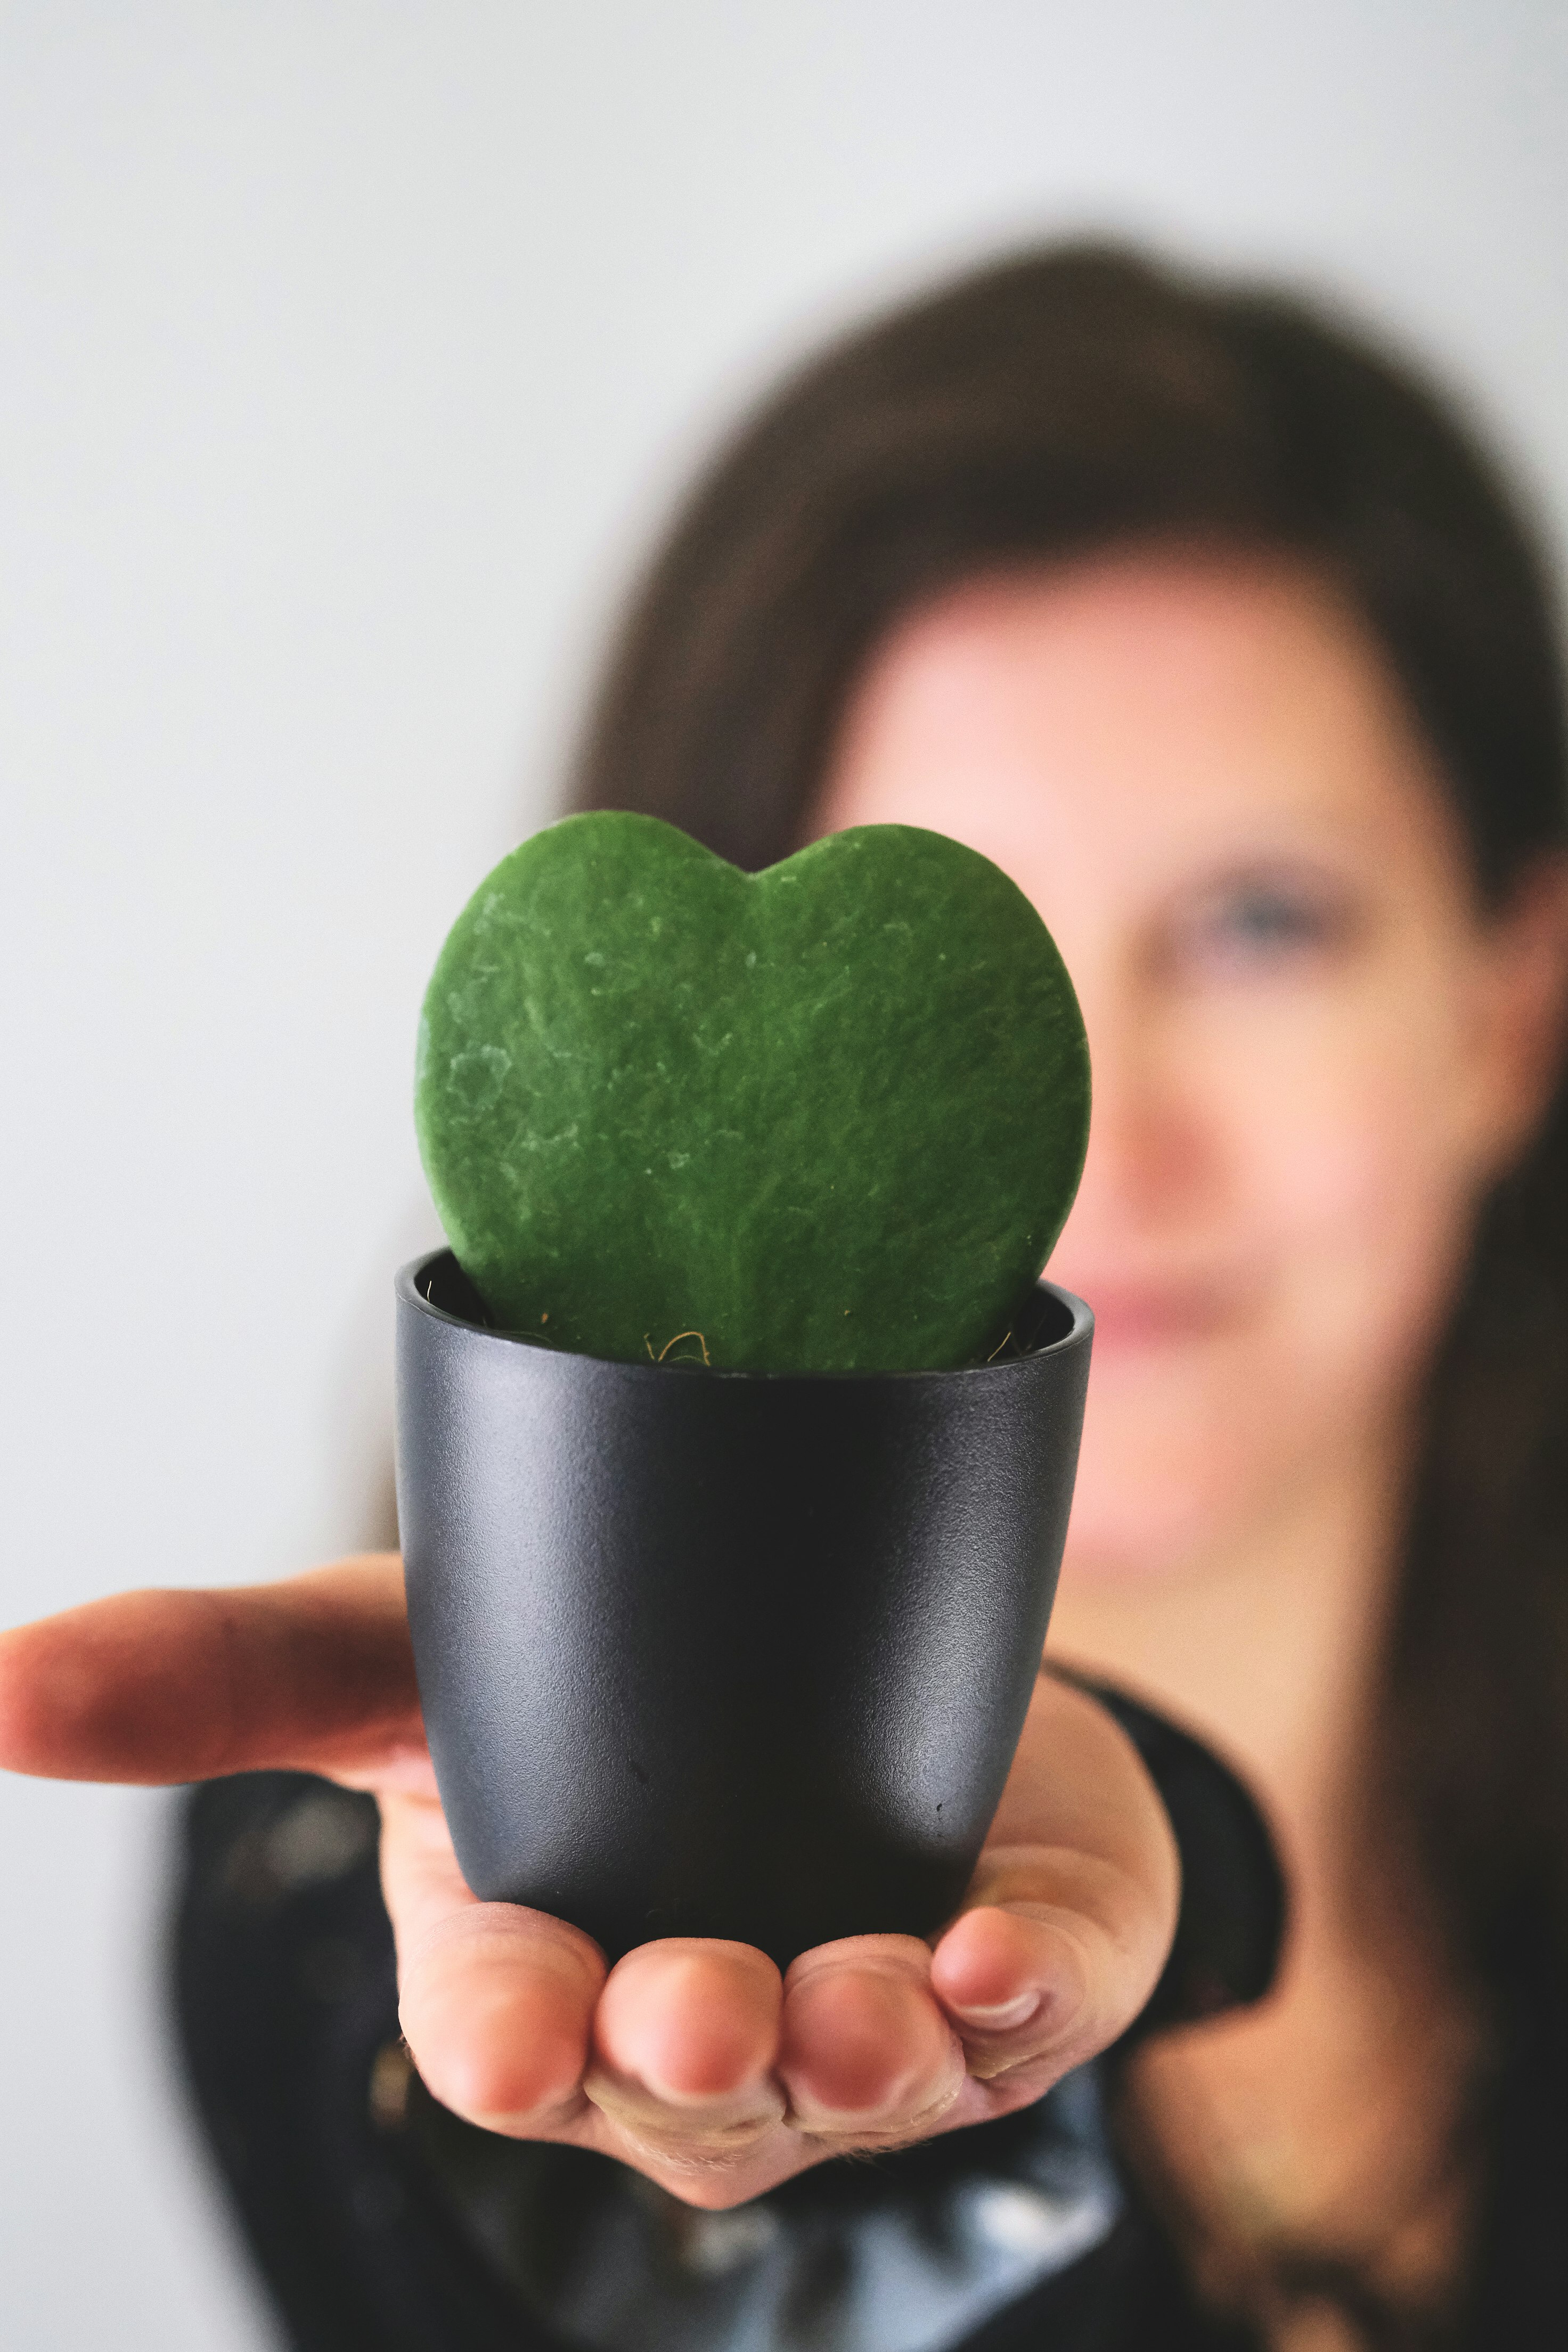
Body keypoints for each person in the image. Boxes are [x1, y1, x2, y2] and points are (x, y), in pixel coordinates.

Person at [1, 243, 1564, 2352]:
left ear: (1510, 1003)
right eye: (943, 990)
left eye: (1262, 923)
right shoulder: (355, 1921)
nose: (1102, 1147)